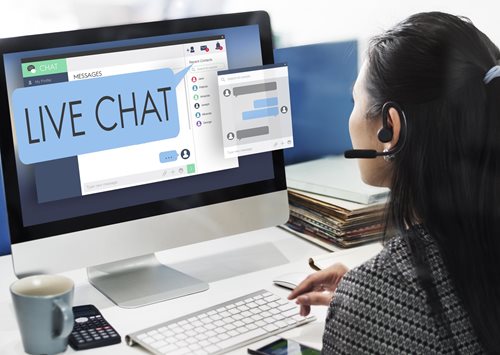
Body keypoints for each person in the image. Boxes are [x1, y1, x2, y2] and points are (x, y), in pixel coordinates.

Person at [288, 12, 500, 354]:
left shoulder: (371, 302)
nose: (351, 117)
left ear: (390, 128)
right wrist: (380, 290)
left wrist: (372, 299)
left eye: (354, 102)